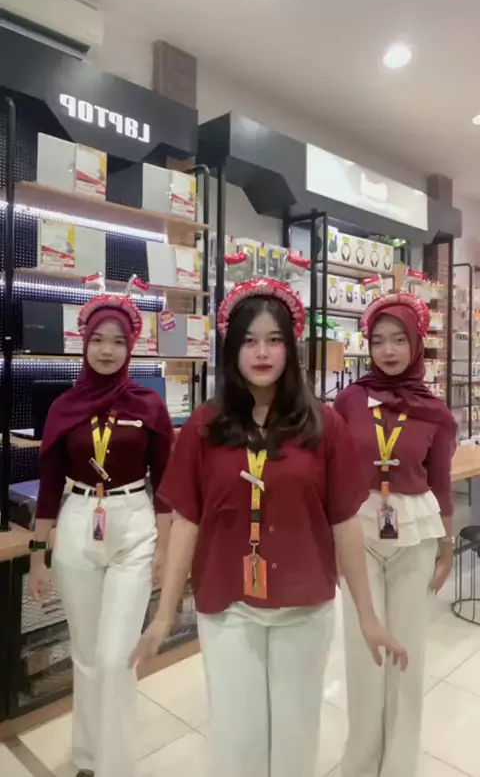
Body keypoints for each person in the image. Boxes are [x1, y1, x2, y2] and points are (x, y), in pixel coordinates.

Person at [130, 277, 407, 777]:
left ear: (290, 349)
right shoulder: (205, 427)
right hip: (228, 609)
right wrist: (164, 613)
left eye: (274, 340)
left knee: (296, 744)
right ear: (232, 350)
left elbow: (345, 523)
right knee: (237, 743)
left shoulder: (323, 425)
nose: (262, 353)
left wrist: (367, 616)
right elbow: (186, 521)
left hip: (304, 609)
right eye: (250, 341)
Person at [28, 284, 174, 777]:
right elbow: (49, 485)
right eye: (98, 340)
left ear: (130, 347)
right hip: (76, 524)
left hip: (134, 526)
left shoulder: (149, 405)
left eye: (117, 341)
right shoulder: (63, 406)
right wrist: (37, 555)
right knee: (87, 655)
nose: (107, 350)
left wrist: (165, 550)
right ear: (84, 343)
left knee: (116, 657)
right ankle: (88, 758)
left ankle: (115, 765)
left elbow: (166, 486)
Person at [334, 289, 457, 777]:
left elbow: (441, 483)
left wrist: (446, 546)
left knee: (408, 652)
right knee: (363, 651)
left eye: (399, 340)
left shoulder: (435, 411)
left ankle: (400, 763)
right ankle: (361, 759)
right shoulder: (349, 400)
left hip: (415, 536)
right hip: (357, 534)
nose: (387, 350)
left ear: (417, 343)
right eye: (379, 340)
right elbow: (332, 473)